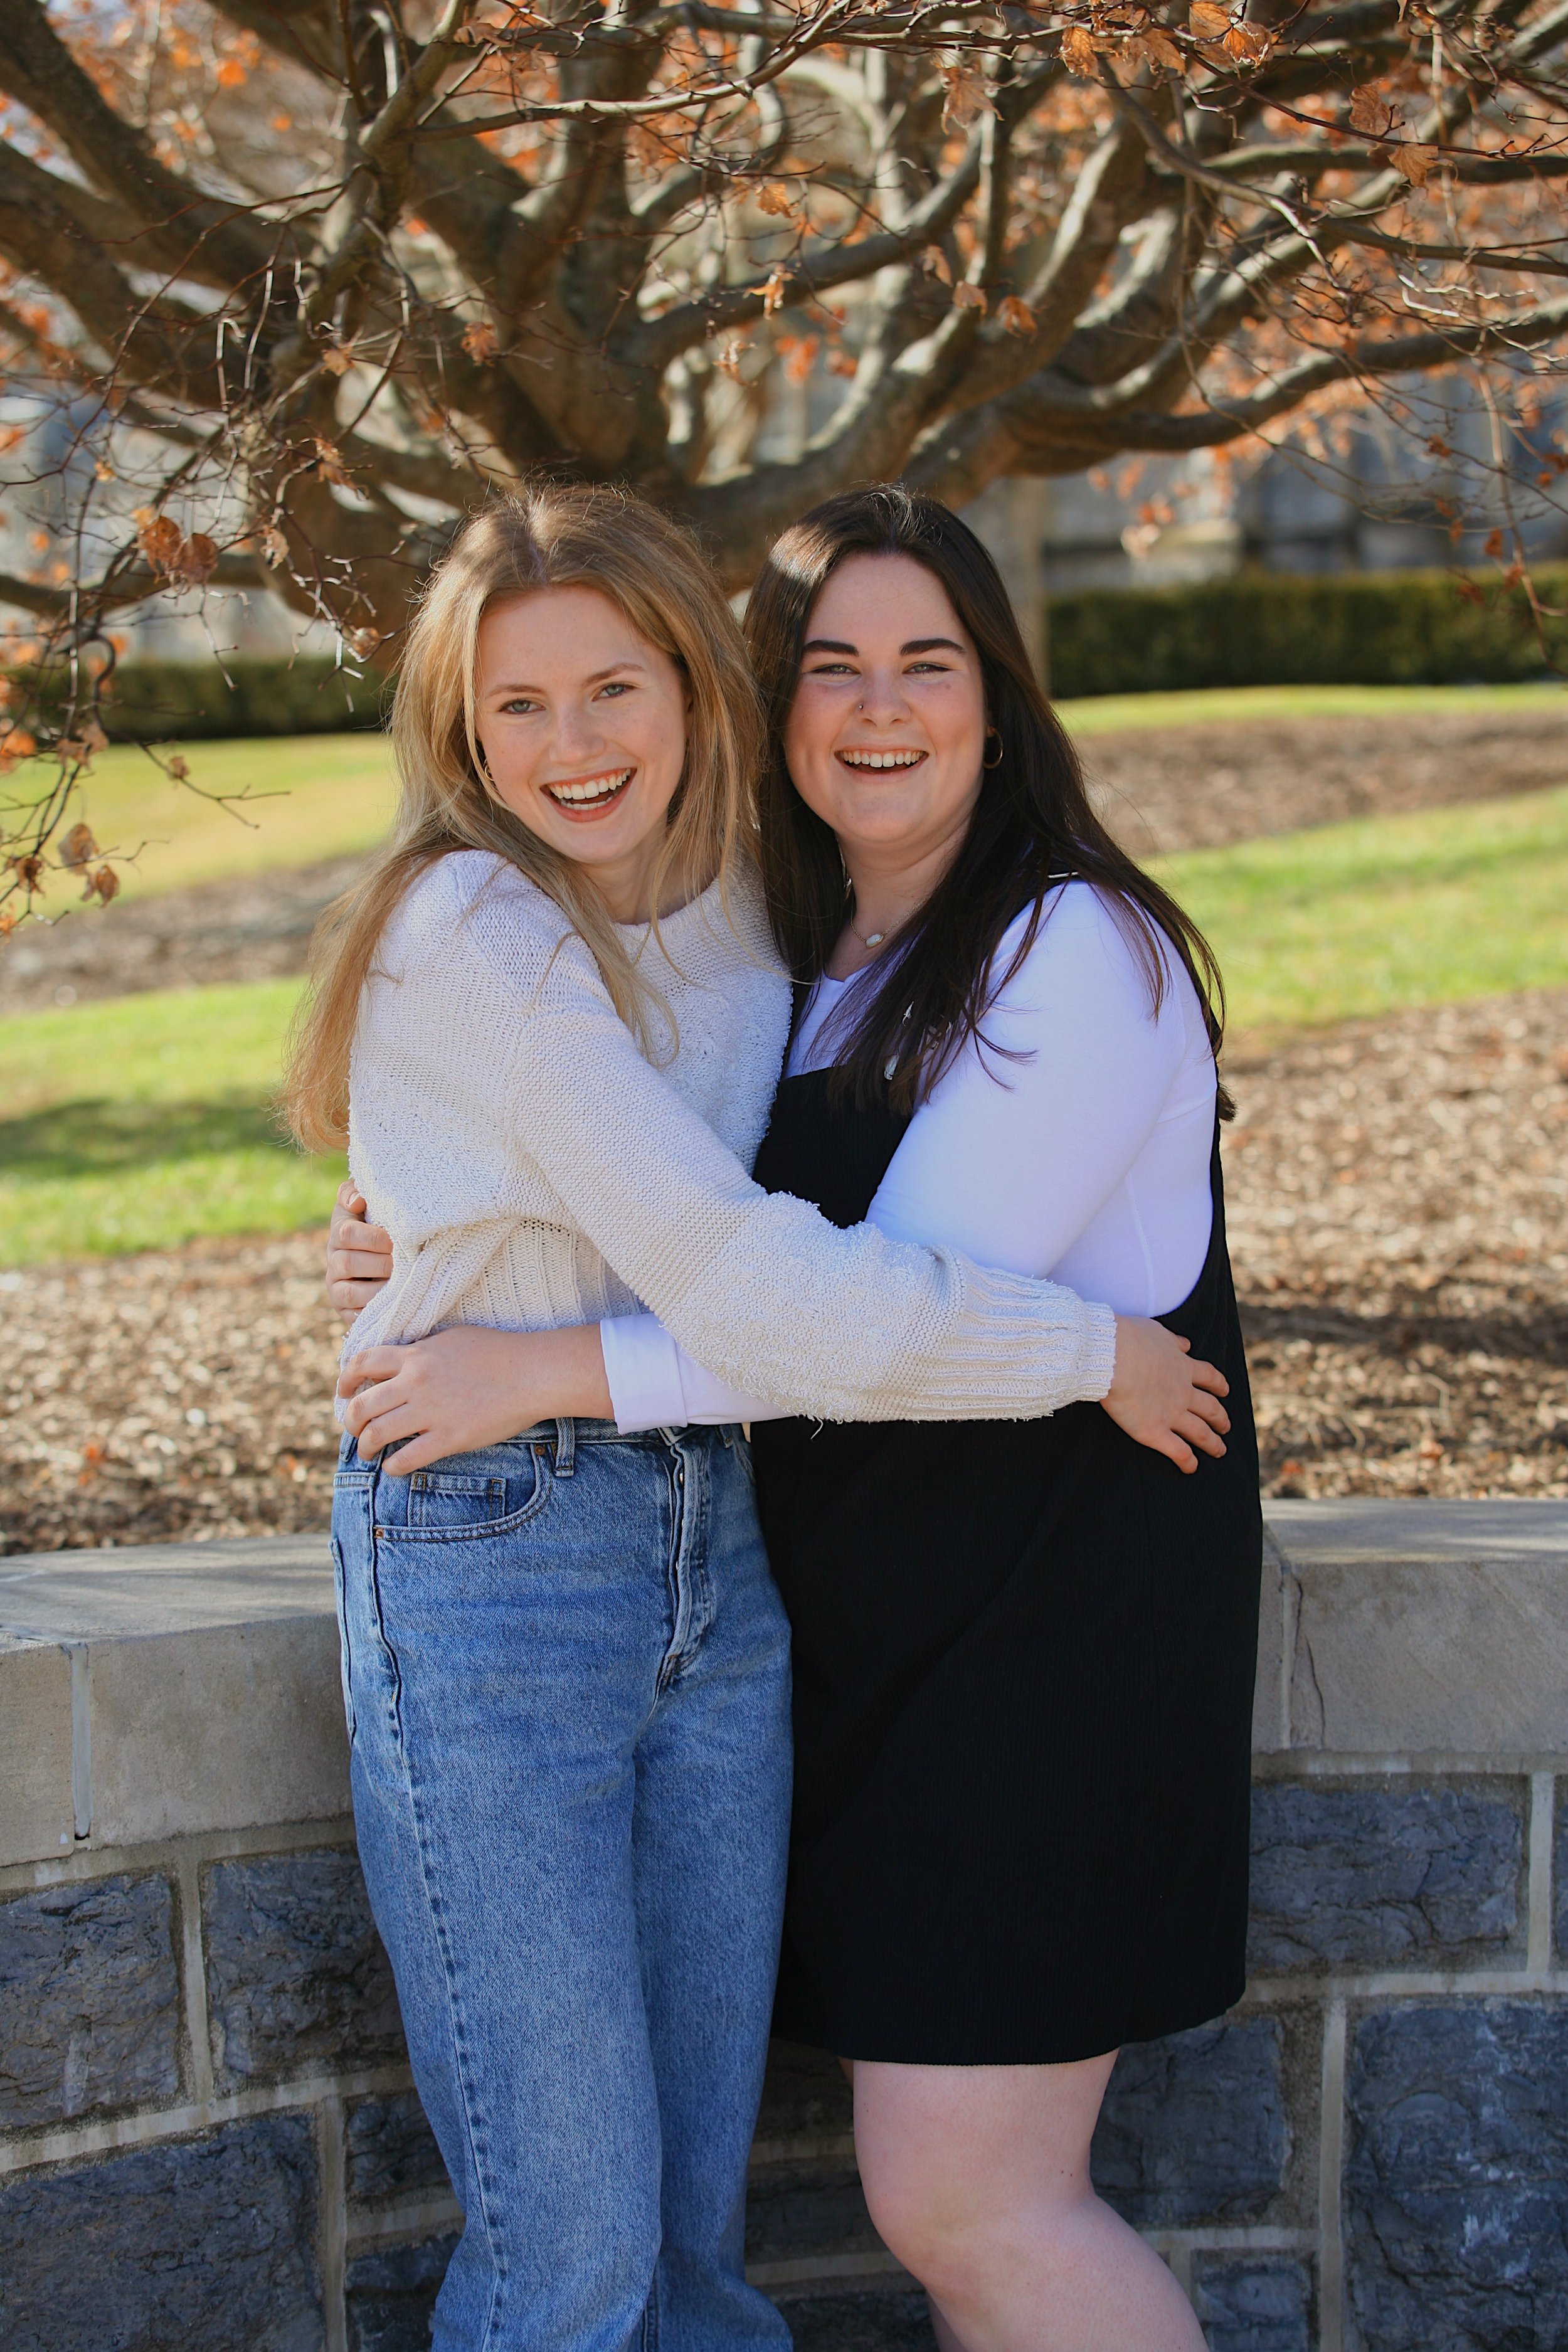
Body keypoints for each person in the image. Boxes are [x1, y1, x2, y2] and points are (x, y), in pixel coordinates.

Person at [292, 480, 1231, 2352]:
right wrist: (424, 1223)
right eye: (515, 709)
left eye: (615, 687)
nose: (571, 746)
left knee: (825, 2233)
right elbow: (737, 1262)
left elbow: (764, 1276)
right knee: (596, 2262)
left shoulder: (917, 936)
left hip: (888, 1606)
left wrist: (499, 1302)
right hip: (591, 1574)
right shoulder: (593, 926)